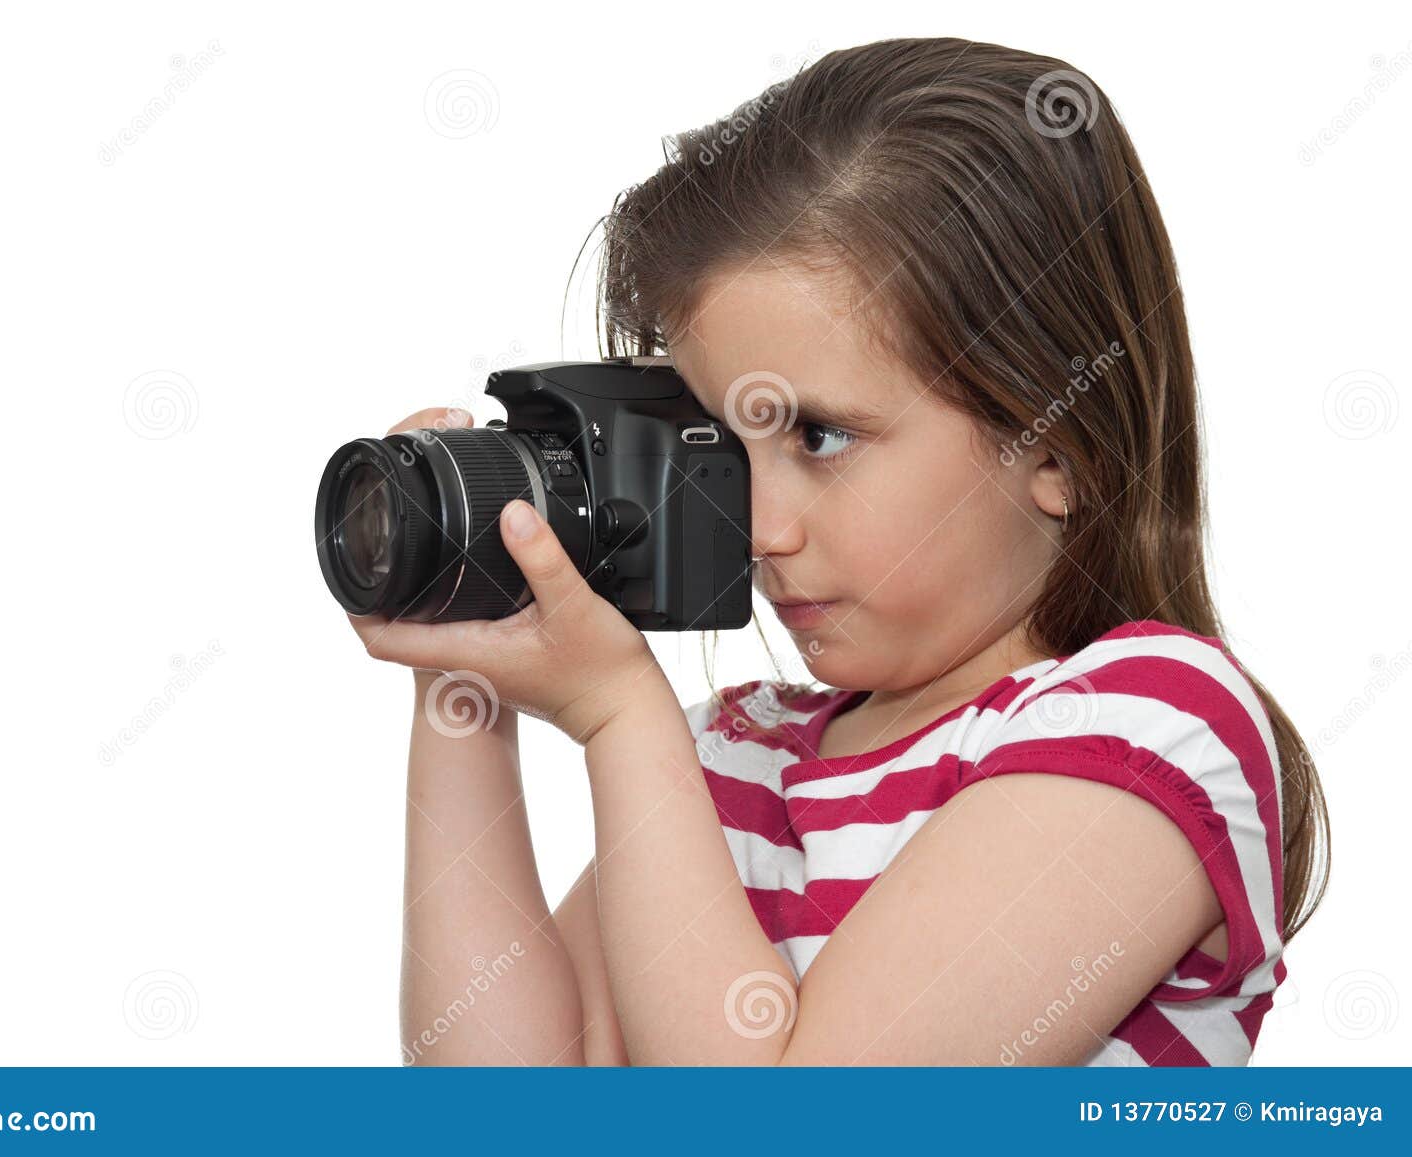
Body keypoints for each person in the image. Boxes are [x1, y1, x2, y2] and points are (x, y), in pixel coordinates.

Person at [350, 36, 1329, 1066]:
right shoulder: (733, 756)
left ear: (1053, 445)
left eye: (819, 436)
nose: (761, 527)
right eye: (723, 447)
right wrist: (458, 666)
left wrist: (617, 717)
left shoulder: (1147, 728)